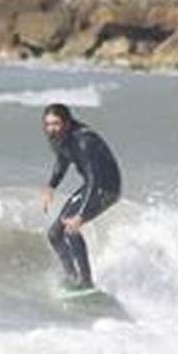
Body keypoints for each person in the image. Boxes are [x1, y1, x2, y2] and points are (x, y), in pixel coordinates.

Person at [40, 102, 121, 291]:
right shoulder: (59, 138)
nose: (52, 129)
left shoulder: (84, 141)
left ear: (67, 123)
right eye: (48, 124)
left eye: (56, 124)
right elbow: (62, 160)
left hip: (106, 189)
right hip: (91, 187)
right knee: (54, 235)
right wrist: (51, 186)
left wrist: (81, 216)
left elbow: (95, 178)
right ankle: (72, 276)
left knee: (71, 230)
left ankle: (86, 283)